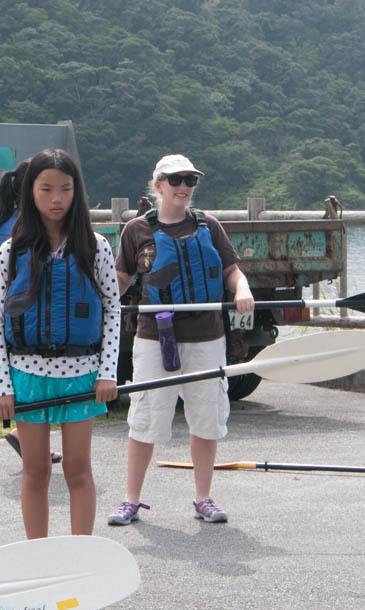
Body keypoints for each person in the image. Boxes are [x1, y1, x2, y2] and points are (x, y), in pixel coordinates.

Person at [107, 154, 254, 526]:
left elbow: (232, 270)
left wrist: (242, 289)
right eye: (175, 180)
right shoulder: (136, 230)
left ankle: (203, 498)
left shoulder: (210, 225)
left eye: (190, 180)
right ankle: (131, 500)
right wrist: (101, 298)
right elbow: (122, 279)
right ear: (158, 186)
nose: (184, 187)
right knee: (146, 417)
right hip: (155, 336)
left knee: (206, 416)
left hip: (206, 335)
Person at [0, 148, 120, 539]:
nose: (56, 198)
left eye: (65, 189)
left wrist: (108, 373)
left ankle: (80, 557)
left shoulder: (97, 247)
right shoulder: (10, 251)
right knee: (36, 472)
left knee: (78, 470)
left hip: (82, 375)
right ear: (30, 192)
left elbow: (113, 310)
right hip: (27, 375)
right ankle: (38, 558)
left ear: (76, 192)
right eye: (46, 189)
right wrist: (2, 387)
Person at [0, 160, 63, 464]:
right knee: (38, 384)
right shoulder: (25, 226)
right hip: (34, 309)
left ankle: (28, 438)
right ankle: (30, 440)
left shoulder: (2, 221)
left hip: (15, 308)